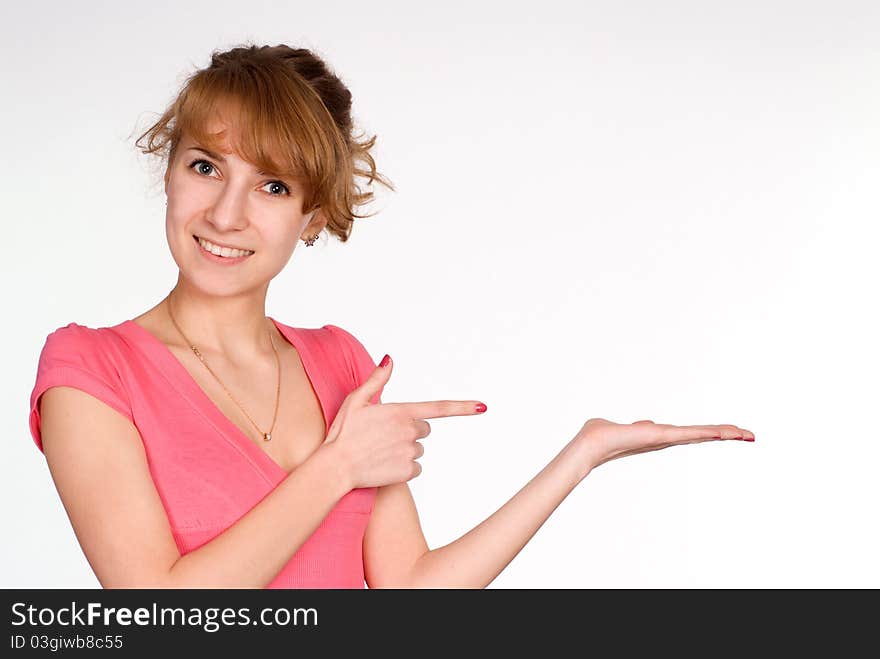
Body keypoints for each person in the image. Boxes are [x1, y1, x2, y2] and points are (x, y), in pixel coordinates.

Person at [28, 43, 755, 589]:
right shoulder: (91, 369)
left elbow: (409, 592)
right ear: (169, 168)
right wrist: (336, 467)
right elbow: (156, 614)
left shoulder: (340, 362)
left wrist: (582, 455)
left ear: (312, 216)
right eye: (206, 166)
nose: (225, 213)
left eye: (273, 186)